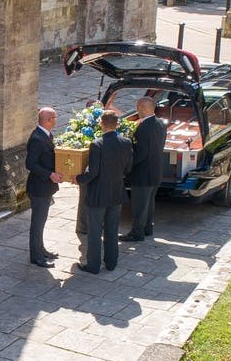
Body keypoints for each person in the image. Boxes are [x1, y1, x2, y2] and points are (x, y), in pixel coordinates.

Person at [73, 109, 132, 274]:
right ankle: (111, 263)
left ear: (101, 124)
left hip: (98, 194)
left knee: (94, 231)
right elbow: (128, 168)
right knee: (112, 230)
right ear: (117, 124)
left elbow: (93, 173)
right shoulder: (126, 142)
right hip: (116, 191)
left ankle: (93, 265)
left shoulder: (97, 144)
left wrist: (78, 179)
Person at [121, 95, 167, 242]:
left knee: (139, 205)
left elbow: (140, 153)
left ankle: (137, 233)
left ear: (143, 109)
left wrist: (126, 166)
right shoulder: (161, 123)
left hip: (142, 173)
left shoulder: (143, 128)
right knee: (149, 203)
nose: (137, 111)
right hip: (155, 171)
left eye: (138, 108)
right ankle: (147, 228)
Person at [25, 107, 65, 268]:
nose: (56, 119)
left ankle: (41, 249)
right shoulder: (37, 139)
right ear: (49, 120)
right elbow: (30, 164)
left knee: (41, 221)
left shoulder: (46, 135)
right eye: (55, 117)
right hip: (39, 188)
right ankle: (36, 257)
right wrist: (50, 175)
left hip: (46, 188)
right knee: (37, 223)